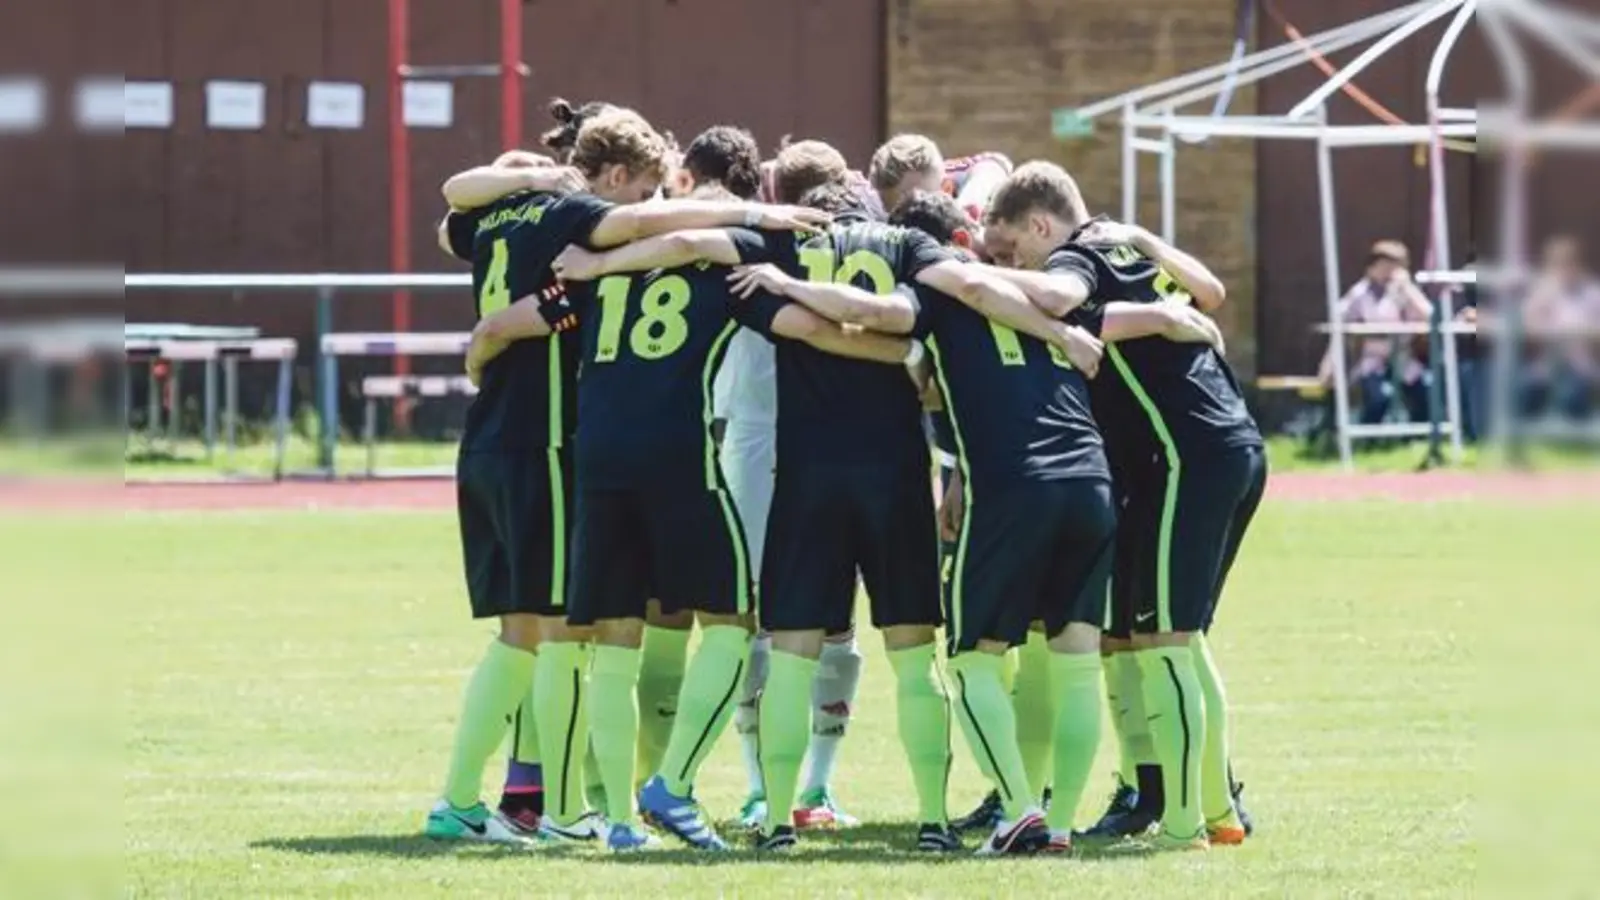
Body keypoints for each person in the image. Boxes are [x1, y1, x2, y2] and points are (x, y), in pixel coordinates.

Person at [442, 107, 829, 847]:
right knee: (700, 623)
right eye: (648, 190)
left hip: (575, 450)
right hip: (594, 444)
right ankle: (644, 790)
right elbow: (686, 240)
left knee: (578, 637)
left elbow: (457, 221)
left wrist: (483, 346)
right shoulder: (637, 234)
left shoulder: (522, 225)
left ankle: (595, 813)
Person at [731, 173, 1108, 855]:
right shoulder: (912, 249)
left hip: (808, 476)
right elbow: (912, 319)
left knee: (792, 656)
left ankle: (777, 821)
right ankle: (937, 820)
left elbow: (811, 330)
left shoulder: (776, 255)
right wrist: (910, 355)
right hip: (900, 475)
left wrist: (795, 286)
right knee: (916, 658)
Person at [982, 161, 1263, 852]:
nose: (1011, 261)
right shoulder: (1126, 246)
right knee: (1166, 637)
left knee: (1167, 641)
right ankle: (1212, 806)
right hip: (1223, 448)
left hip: (1185, 458)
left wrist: (967, 276)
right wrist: (1154, 258)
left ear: (1042, 224)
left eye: (1016, 246)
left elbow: (1056, 296)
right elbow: (1213, 291)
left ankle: (1189, 822)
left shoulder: (1076, 255)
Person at [422, 151, 590, 845]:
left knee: (519, 633)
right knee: (558, 631)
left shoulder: (495, 222)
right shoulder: (574, 218)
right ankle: (566, 814)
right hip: (541, 440)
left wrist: (512, 174)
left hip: (487, 436)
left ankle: (460, 802)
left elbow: (449, 211)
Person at [726, 139, 870, 832]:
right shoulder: (847, 258)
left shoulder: (753, 249)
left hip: (754, 444)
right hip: (834, 446)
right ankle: (816, 784)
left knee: (762, 621)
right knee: (835, 623)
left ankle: (762, 786)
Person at [1320, 240, 1434, 426]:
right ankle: (1369, 438)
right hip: (1370, 360)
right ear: (1372, 267)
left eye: (1396, 267)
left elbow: (1429, 316)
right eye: (1386, 266)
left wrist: (1408, 290)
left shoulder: (1404, 291)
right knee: (1379, 397)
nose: (1390, 272)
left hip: (1401, 357)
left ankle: (1415, 437)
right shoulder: (1359, 294)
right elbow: (1341, 323)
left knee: (1425, 388)